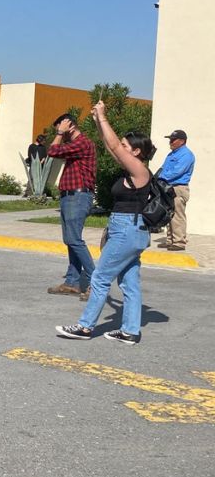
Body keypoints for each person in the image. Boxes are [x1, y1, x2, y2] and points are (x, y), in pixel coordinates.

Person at [56, 101, 157, 345]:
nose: (119, 148)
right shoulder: (131, 169)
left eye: (125, 146)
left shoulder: (140, 171)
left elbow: (113, 145)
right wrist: (98, 123)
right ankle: (130, 331)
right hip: (129, 230)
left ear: (135, 152)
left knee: (100, 278)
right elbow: (109, 145)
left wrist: (102, 115)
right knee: (129, 282)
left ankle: (85, 326)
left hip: (127, 230)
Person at [45, 113, 97, 299]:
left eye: (62, 129)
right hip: (70, 196)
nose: (59, 134)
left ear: (70, 127)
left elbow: (52, 151)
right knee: (70, 240)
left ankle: (95, 282)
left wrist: (60, 133)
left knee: (74, 240)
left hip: (78, 196)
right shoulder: (75, 146)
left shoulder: (83, 143)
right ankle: (72, 282)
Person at [158, 129, 194, 251]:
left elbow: (177, 171)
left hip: (178, 188)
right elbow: (163, 168)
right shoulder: (172, 154)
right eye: (170, 139)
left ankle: (179, 242)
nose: (171, 142)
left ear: (182, 141)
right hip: (168, 187)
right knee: (169, 214)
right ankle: (170, 240)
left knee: (177, 215)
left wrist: (161, 177)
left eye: (173, 140)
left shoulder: (186, 154)